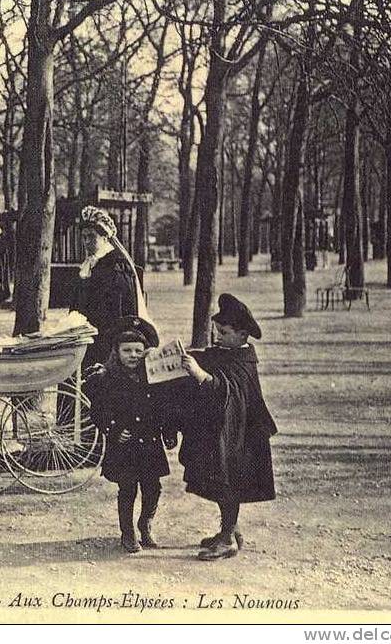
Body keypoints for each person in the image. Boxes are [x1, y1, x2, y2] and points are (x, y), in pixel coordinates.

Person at [177, 293, 278, 561]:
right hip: (223, 430)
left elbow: (228, 390)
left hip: (240, 436)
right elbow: (208, 357)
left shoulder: (243, 361)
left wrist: (200, 375)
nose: (217, 336)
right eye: (216, 331)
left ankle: (227, 539)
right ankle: (230, 529)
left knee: (229, 481)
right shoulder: (227, 353)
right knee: (222, 479)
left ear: (242, 335)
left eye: (223, 332)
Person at [86, 316, 176, 553]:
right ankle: (127, 532)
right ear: (116, 351)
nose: (133, 355)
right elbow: (97, 411)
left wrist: (168, 431)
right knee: (127, 488)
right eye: (127, 350)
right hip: (124, 444)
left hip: (149, 441)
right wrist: (113, 429)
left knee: (153, 487)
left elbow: (164, 406)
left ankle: (145, 524)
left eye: (138, 350)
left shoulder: (154, 377)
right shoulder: (107, 378)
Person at [71, 206, 139, 368]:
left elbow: (120, 308)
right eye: (84, 237)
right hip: (87, 333)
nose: (87, 242)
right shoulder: (89, 265)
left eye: (91, 237)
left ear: (104, 238)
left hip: (107, 337)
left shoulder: (116, 265)